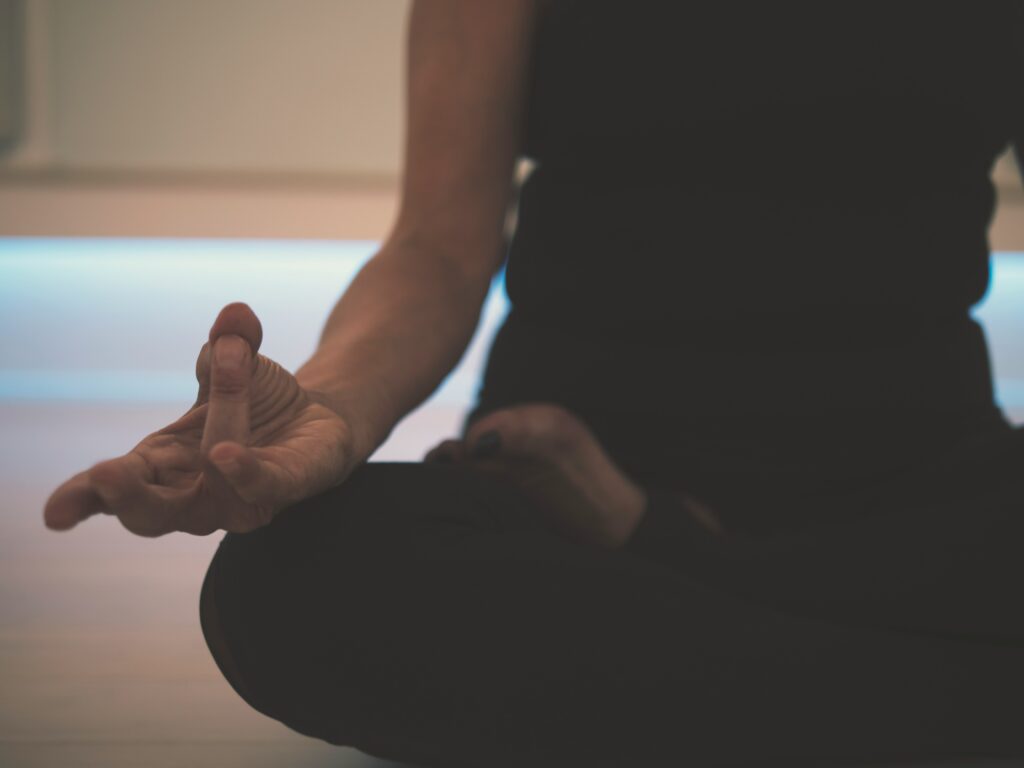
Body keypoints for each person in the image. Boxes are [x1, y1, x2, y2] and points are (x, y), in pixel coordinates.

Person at [43, 1, 1024, 765]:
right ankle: (964, 694)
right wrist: (333, 411)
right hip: (554, 493)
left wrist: (656, 542)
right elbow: (436, 244)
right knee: (290, 587)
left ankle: (670, 572)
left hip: (911, 494)